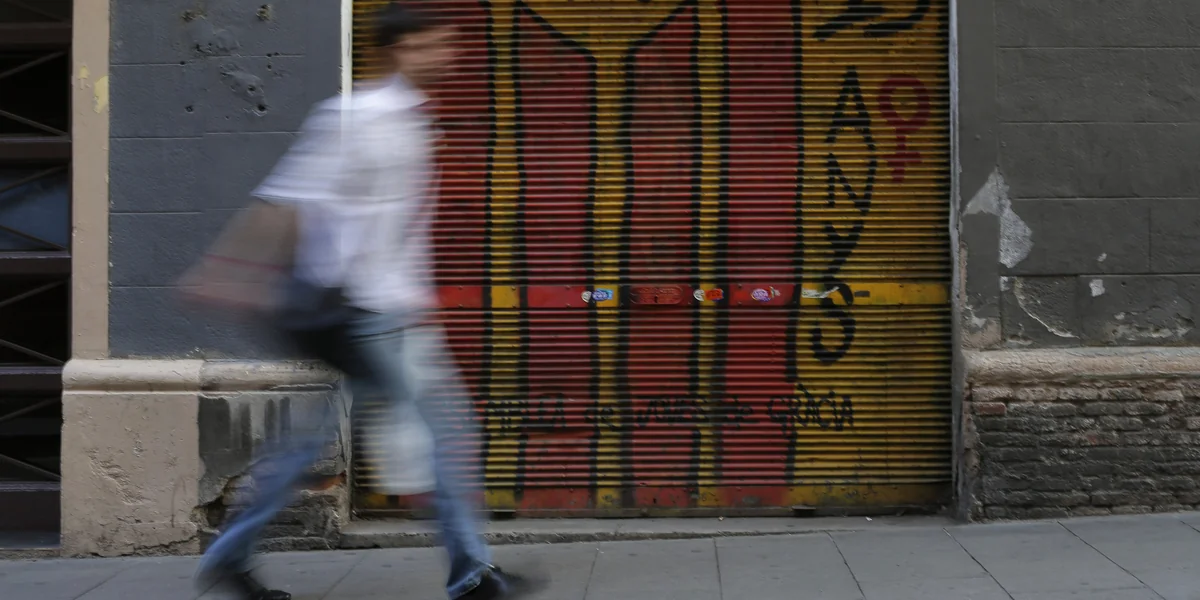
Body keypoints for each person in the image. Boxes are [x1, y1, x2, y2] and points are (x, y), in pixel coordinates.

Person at [194, 3, 539, 599]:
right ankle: (471, 577)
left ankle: (228, 555)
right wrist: (226, 270)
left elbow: (397, 229)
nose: (449, 57)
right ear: (401, 49)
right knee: (444, 436)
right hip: (364, 312)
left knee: (314, 442)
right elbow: (284, 199)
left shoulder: (414, 123)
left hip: (395, 312)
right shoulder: (352, 117)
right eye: (435, 45)